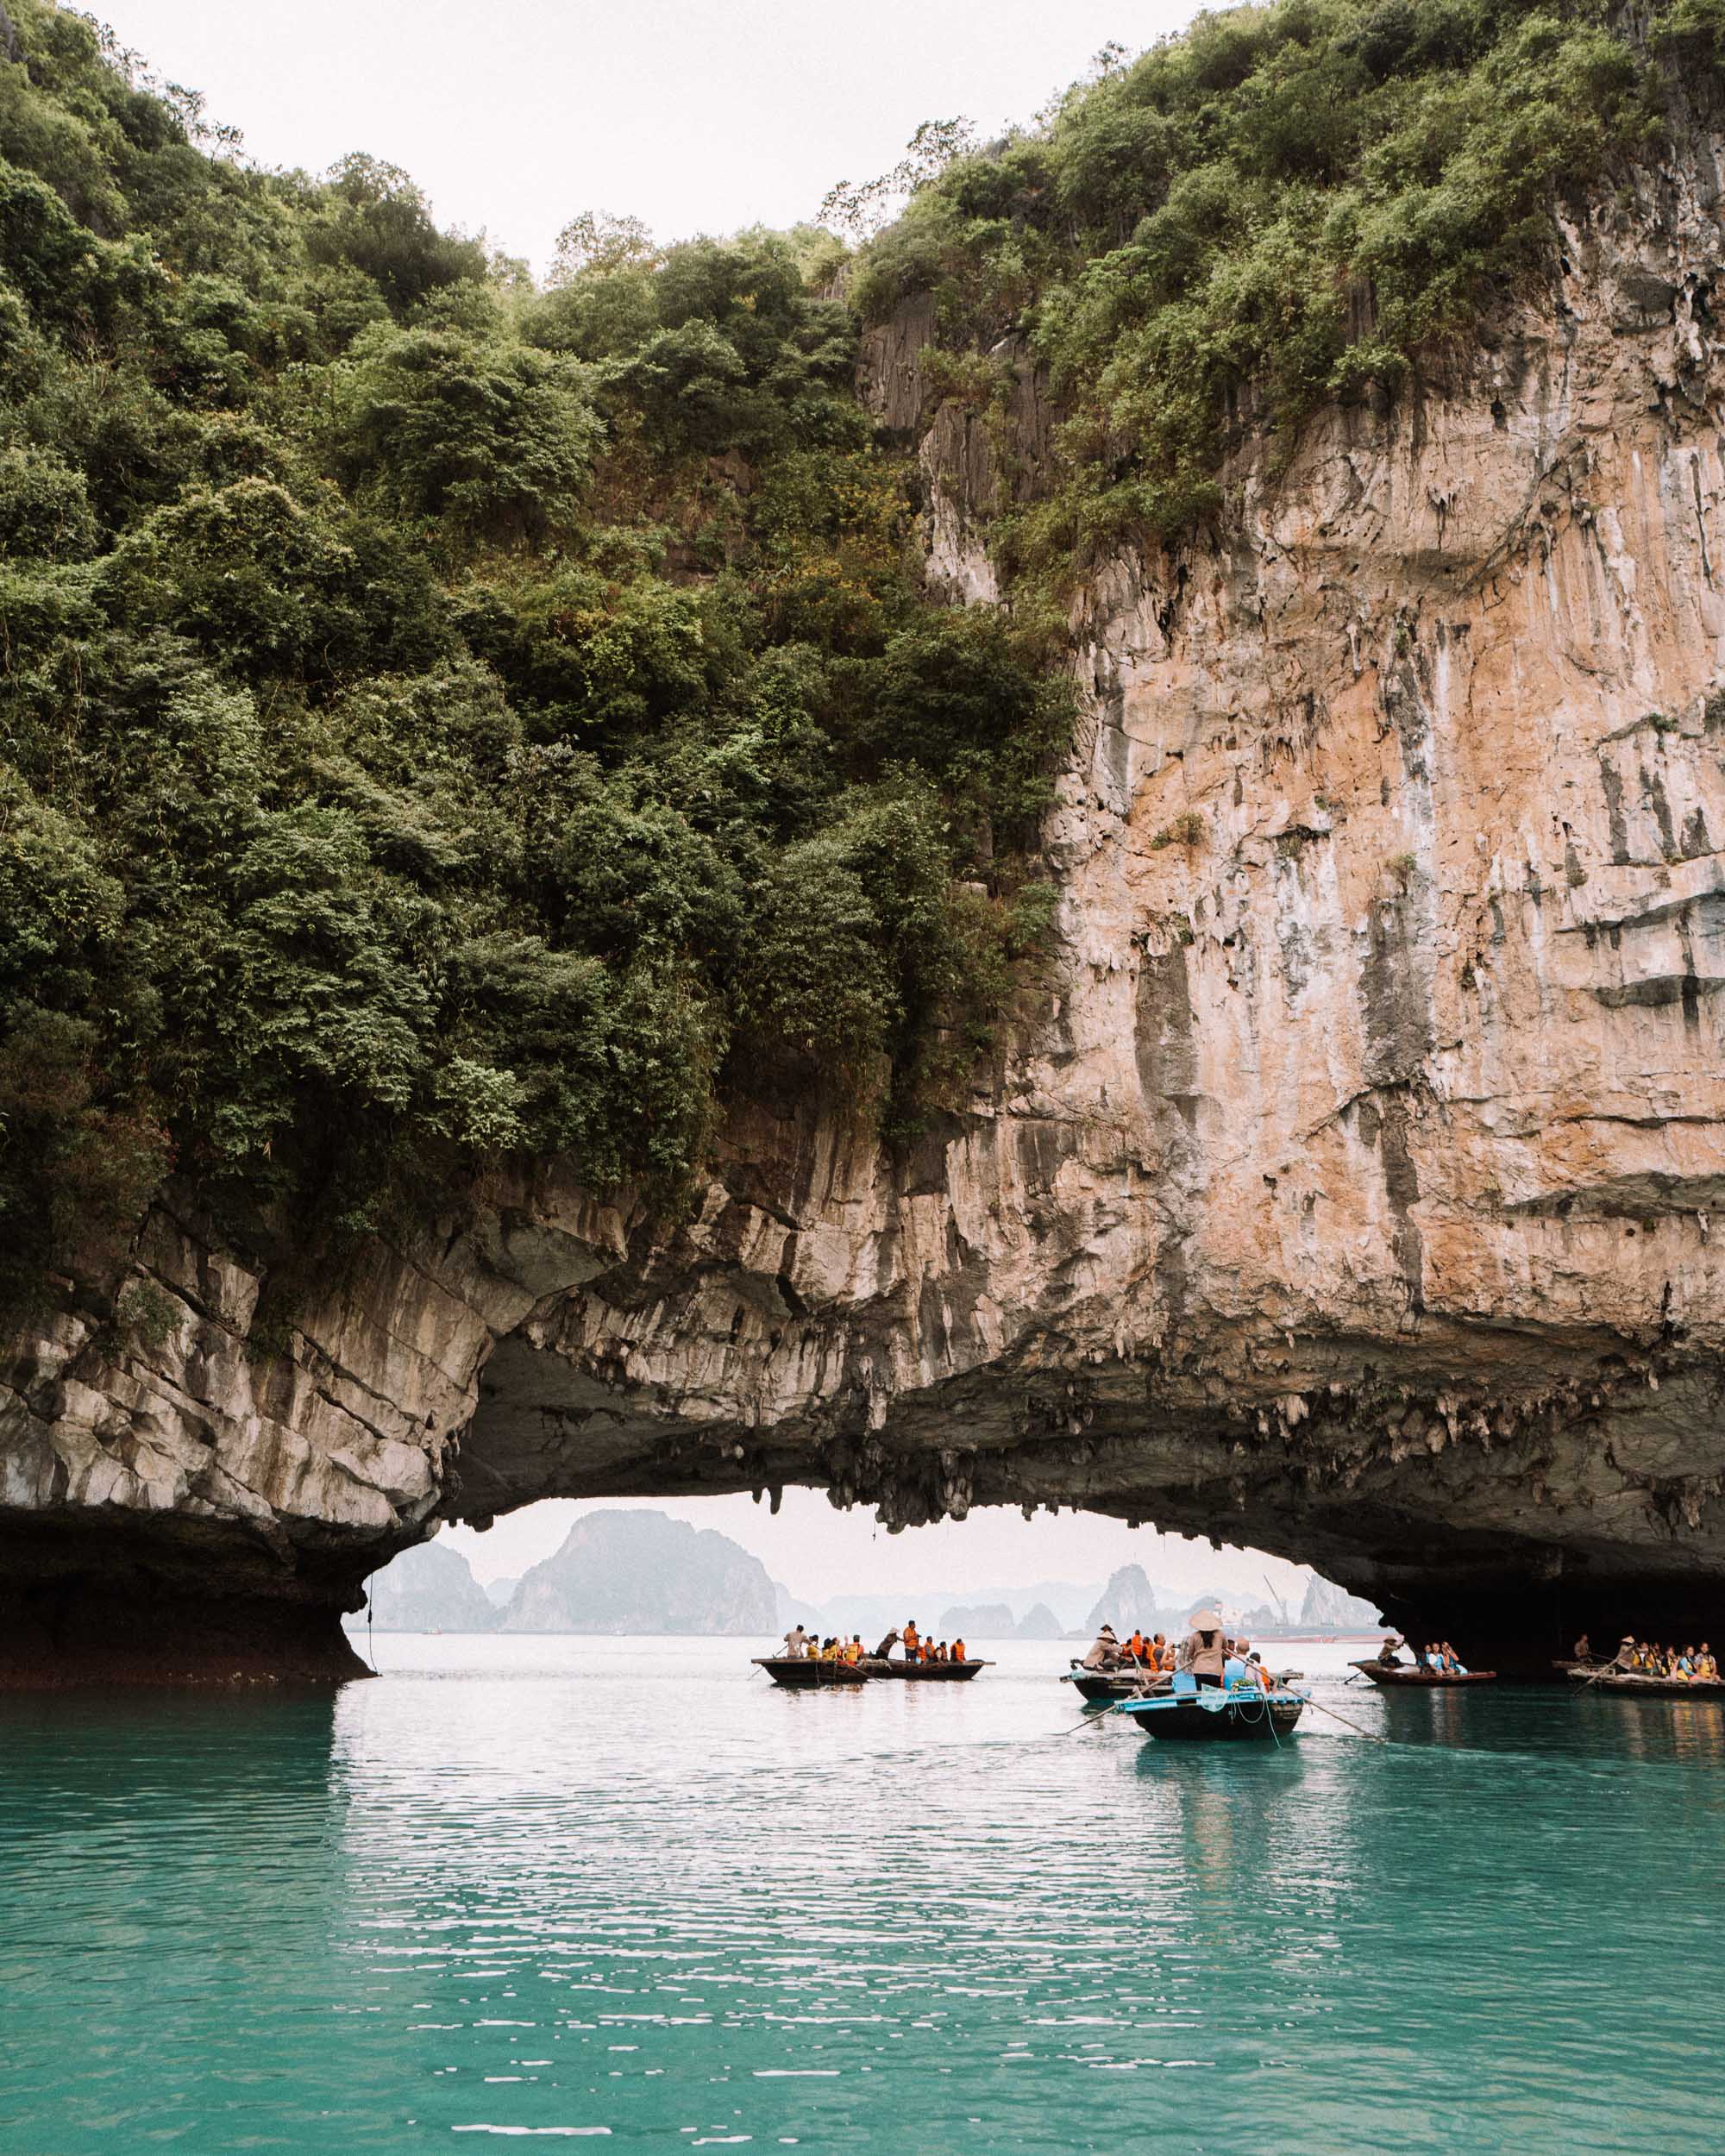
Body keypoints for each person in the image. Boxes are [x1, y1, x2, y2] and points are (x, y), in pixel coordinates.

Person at [1178, 1610, 1228, 1689]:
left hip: (1200, 1670)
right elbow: (1225, 1646)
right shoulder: (1220, 1634)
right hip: (1215, 1671)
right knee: (1214, 1695)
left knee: (1201, 1694)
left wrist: (1195, 1657)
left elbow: (1190, 1653)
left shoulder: (1194, 1636)